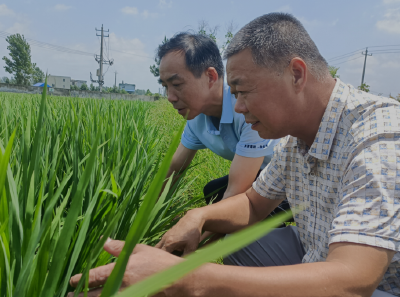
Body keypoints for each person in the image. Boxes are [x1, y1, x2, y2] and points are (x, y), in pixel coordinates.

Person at [69, 13, 400, 297]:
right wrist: (198, 217)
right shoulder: (292, 140)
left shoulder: (379, 136)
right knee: (238, 240)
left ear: (296, 74)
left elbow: (355, 279)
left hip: (376, 287)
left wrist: (191, 279)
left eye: (243, 91)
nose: (238, 107)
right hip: (314, 251)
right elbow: (253, 203)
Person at [157, 32, 287, 216]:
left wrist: (198, 238)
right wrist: (144, 219)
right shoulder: (196, 116)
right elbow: (174, 168)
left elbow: (236, 192)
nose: (170, 97)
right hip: (261, 175)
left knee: (241, 211)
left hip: (293, 181)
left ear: (210, 76)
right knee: (213, 191)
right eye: (165, 86)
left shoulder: (246, 108)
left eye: (177, 84)